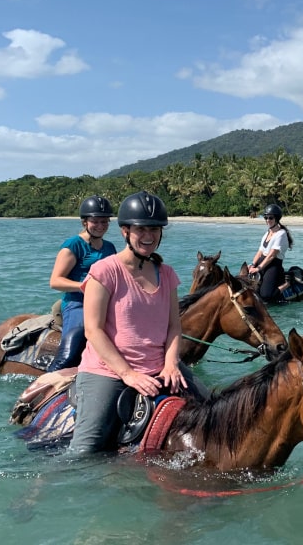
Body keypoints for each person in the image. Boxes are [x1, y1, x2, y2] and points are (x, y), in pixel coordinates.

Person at [69, 191, 204, 454]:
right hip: (108, 371)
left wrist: (171, 364)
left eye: (154, 229)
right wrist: (128, 374)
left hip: (159, 367)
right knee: (85, 449)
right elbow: (93, 331)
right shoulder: (104, 271)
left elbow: (174, 327)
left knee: (214, 412)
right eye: (141, 229)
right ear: (125, 231)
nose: (149, 236)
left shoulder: (167, 274)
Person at [46, 196, 118, 372]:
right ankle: (46, 382)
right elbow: (55, 281)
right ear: (85, 222)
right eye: (95, 221)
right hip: (78, 303)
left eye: (104, 221)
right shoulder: (73, 245)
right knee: (70, 352)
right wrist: (83, 286)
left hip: (106, 302)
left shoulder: (110, 247)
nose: (100, 226)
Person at [245, 203, 294, 303]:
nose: (268, 220)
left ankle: (287, 284)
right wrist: (252, 264)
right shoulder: (267, 233)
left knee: (266, 296)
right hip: (262, 263)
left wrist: (259, 268)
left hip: (273, 265)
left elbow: (272, 255)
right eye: (266, 217)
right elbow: (260, 251)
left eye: (270, 218)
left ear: (276, 218)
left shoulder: (281, 234)